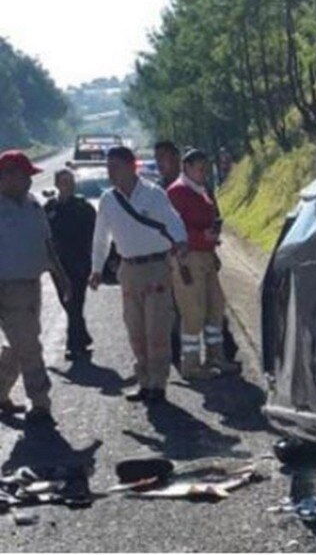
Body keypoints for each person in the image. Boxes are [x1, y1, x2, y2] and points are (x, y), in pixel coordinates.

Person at [89, 146, 187, 405]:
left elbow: (173, 221)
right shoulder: (108, 200)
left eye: (115, 166)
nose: (110, 172)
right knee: (135, 329)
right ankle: (144, 381)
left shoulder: (153, 194)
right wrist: (96, 269)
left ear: (131, 167)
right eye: (108, 167)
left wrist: (181, 242)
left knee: (157, 328)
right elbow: (100, 238)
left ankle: (158, 383)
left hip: (156, 267)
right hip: (129, 270)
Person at [0, 150, 71, 425]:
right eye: (24, 175)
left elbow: (47, 246)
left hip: (31, 286)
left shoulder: (32, 205)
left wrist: (62, 277)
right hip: (7, 287)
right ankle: (40, 403)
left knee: (19, 345)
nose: (30, 181)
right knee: (29, 346)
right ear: (6, 176)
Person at [167, 149, 240, 379]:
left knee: (215, 306)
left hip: (205, 256)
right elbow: (174, 229)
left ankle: (215, 356)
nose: (204, 173)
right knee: (193, 311)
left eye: (205, 168)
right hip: (187, 258)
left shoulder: (200, 191)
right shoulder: (177, 192)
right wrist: (201, 237)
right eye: (200, 168)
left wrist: (211, 244)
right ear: (186, 167)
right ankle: (190, 365)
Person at [44, 169, 97, 360]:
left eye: (71, 181)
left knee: (75, 301)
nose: (69, 185)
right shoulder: (50, 208)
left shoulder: (83, 207)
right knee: (67, 303)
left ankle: (73, 344)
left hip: (79, 262)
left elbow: (96, 234)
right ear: (57, 184)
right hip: (58, 264)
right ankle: (82, 338)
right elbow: (42, 236)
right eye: (65, 181)